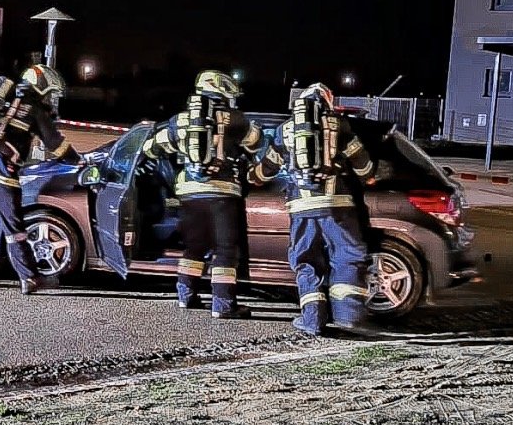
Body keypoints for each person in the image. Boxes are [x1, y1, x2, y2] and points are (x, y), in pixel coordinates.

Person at [142, 69, 283, 319]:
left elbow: (150, 149)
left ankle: (186, 296)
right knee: (225, 249)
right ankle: (224, 304)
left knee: (193, 248)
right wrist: (256, 172)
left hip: (189, 196)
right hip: (223, 195)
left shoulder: (180, 121)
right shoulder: (237, 120)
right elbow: (260, 145)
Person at [0, 65, 80, 293]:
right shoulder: (34, 109)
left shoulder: (6, 98)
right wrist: (78, 160)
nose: (49, 98)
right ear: (41, 87)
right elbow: (56, 145)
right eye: (49, 92)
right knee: (15, 228)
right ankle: (29, 278)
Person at [271, 82, 379, 337]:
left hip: (300, 209)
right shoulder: (339, 125)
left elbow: (268, 166)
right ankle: (349, 316)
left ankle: (312, 321)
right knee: (347, 256)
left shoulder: (284, 130)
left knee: (306, 261)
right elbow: (363, 166)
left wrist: (252, 177)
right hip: (337, 207)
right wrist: (369, 177)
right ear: (327, 101)